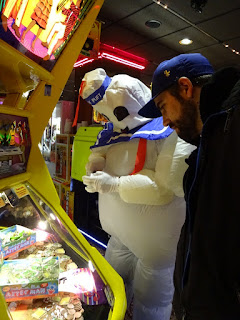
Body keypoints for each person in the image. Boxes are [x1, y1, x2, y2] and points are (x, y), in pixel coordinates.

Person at [80, 68, 195, 320]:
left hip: (153, 245)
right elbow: (101, 152)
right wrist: (95, 166)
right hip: (118, 235)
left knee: (150, 304)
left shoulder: (172, 130)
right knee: (111, 289)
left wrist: (114, 184)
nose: (113, 120)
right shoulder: (115, 130)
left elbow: (164, 189)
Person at [138, 53, 240, 320]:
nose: (165, 122)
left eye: (162, 107)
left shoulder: (233, 132)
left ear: (185, 88)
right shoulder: (207, 145)